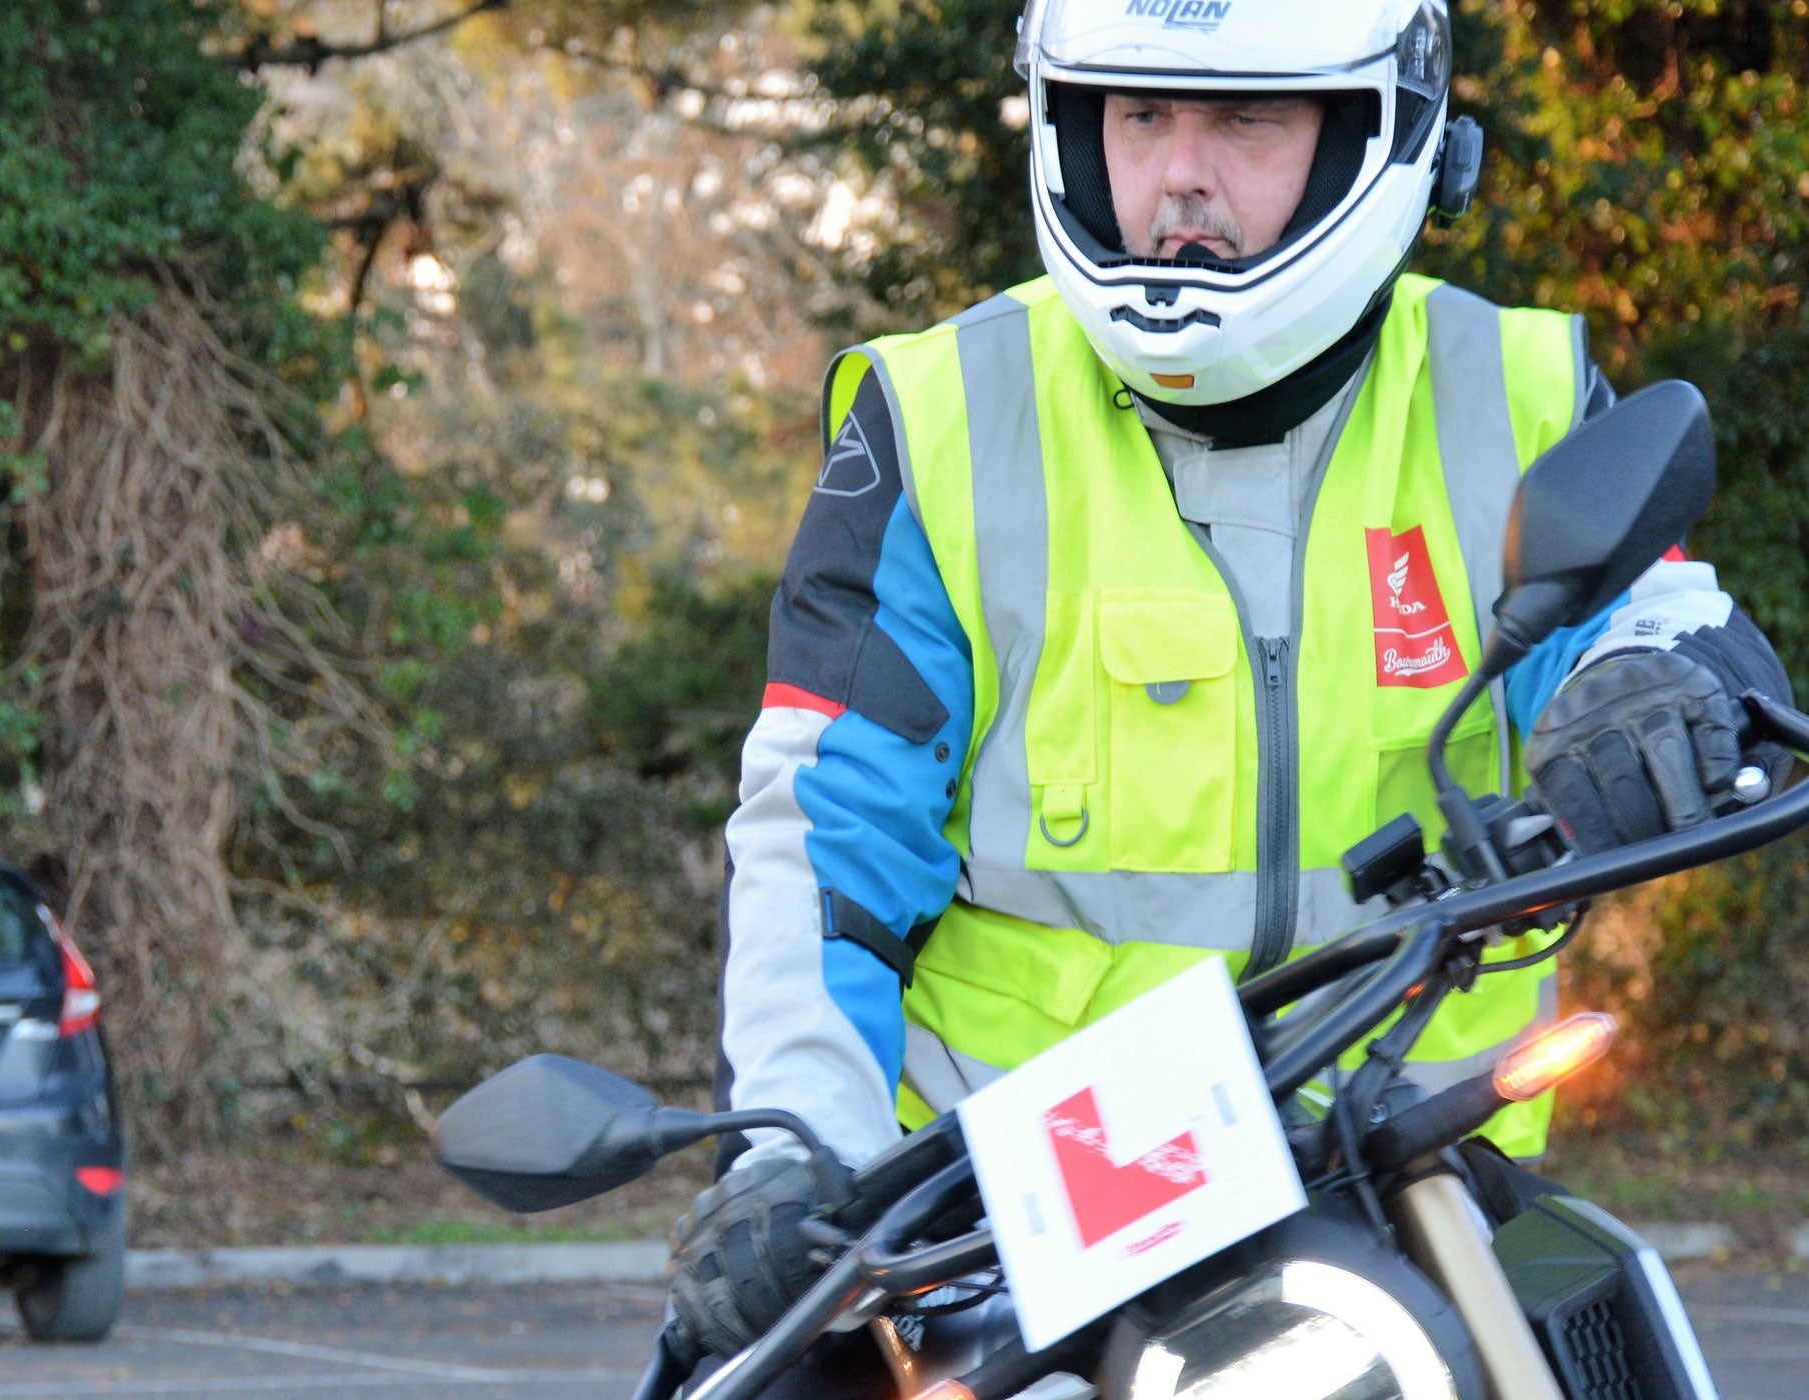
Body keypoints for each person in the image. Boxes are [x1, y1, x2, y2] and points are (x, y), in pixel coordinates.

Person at [664, 0, 1795, 1384]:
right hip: (1028, 1211)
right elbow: (821, 835)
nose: (1179, 177)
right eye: (1141, 118)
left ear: (1377, 134)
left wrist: (1654, 690)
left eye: (1245, 118)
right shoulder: (943, 417)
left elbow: (1661, 614)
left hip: (1407, 1160)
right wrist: (794, 1150)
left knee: (1604, 1338)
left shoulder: (1511, 388)